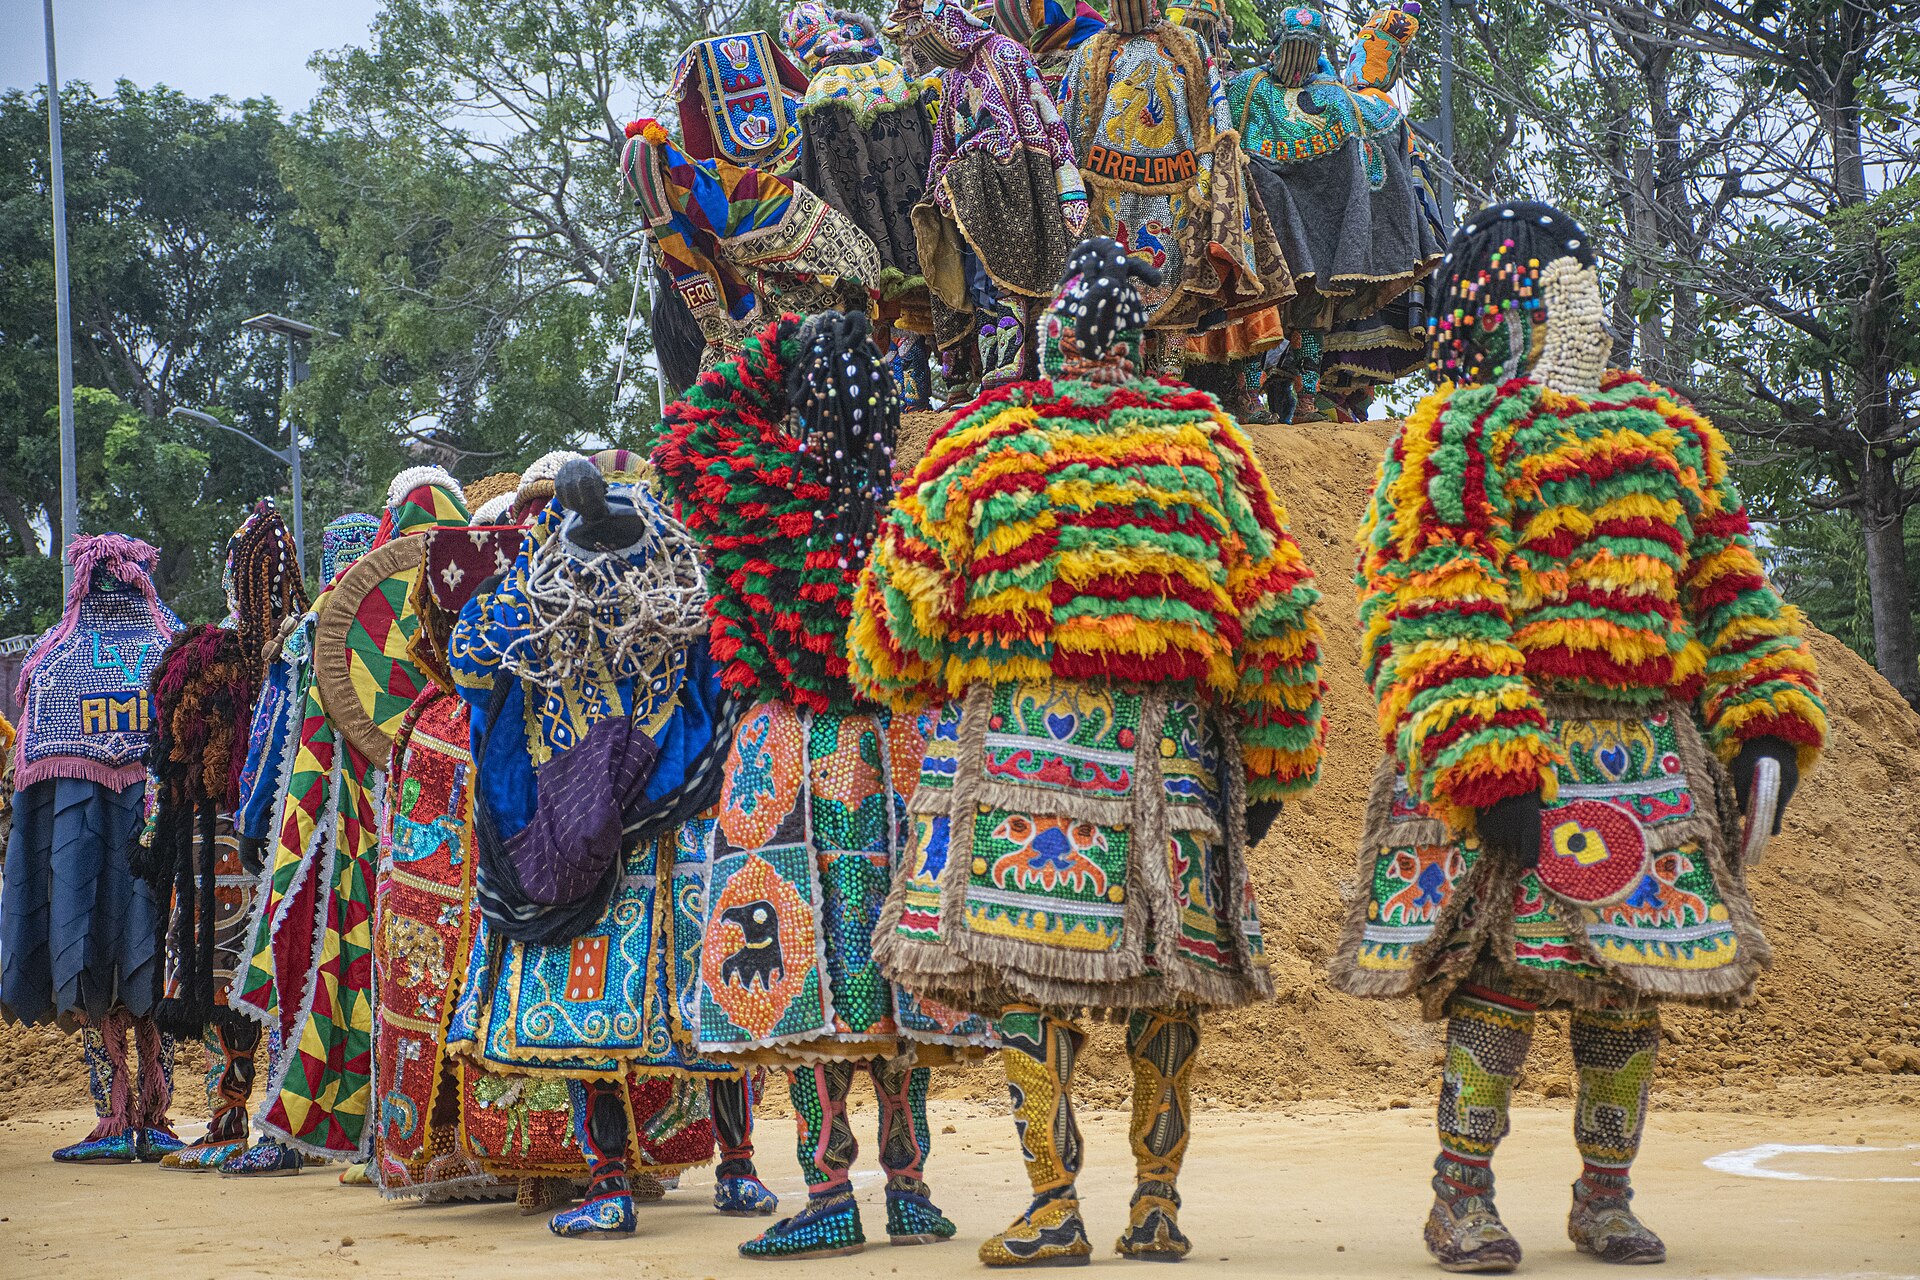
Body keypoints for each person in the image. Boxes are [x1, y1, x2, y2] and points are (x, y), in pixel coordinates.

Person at [1331, 202, 1827, 1272]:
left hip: (1648, 757)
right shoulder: (1459, 433)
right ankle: (1460, 1192)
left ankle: (1606, 1195)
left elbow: (1729, 587)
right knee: (1504, 974)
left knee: (1628, 987)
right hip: (1522, 739)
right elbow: (1434, 595)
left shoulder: (1672, 434)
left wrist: (1764, 728)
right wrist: (1488, 759)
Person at [851, 239, 1327, 1265]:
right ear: (1138, 341)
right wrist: (1278, 766)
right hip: (1173, 761)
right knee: (1164, 979)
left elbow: (897, 609)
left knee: (1030, 978)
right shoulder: (1206, 441)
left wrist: (926, 681)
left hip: (1022, 755)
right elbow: (1281, 611)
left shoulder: (987, 437)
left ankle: (1054, 1204)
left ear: (1050, 338)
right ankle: (1156, 1203)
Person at [655, 309, 996, 1259]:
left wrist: (795, 344)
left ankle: (828, 1188)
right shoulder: (909, 514)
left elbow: (689, 431)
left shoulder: (760, 498)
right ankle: (913, 1185)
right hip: (902, 752)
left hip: (793, 756)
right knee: (891, 968)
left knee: (809, 976)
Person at [444, 455, 744, 1238]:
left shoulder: (530, 601)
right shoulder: (686, 584)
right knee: (703, 1003)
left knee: (589, 1027)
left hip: (575, 843)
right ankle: (739, 1173)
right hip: (681, 830)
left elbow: (469, 670)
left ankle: (609, 1185)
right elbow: (728, 690)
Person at [228, 469, 471, 1165]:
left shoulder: (332, 619)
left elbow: (287, 736)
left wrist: (257, 819)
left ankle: (367, 1137)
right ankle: (466, 1141)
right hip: (464, 821)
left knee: (338, 955)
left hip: (355, 828)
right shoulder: (492, 593)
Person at [138, 502, 310, 1172]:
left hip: (219, 839)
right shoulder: (307, 647)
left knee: (222, 978)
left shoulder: (205, 659)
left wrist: (155, 839)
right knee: (276, 975)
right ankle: (276, 1117)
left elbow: (170, 758)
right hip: (289, 836)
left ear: (232, 579)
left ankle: (231, 1117)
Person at [2, 533, 184, 1163]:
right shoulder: (172, 652)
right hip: (155, 839)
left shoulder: (51, 664)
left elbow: (31, 805)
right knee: (151, 951)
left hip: (81, 851)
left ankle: (116, 1113)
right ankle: (150, 1115)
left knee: (84, 949)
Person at [218, 510, 378, 1177]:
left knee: (301, 971)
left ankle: (289, 1137)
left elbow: (275, 738)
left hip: (315, 836)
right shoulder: (410, 616)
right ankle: (380, 1132)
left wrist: (255, 824)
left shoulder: (309, 634)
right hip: (404, 834)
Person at [1220, 2, 1441, 421]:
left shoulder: (1336, 98)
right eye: (1293, 47)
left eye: (1309, 49)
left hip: (1320, 231)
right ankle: (1250, 398)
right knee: (1260, 312)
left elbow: (1374, 127)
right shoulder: (1247, 87)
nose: (1299, 59)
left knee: (1312, 318)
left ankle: (1307, 400)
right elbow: (1224, 139)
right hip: (1267, 225)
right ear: (1278, 46)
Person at [1057, 0, 1291, 353]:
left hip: (1177, 191)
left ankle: (1172, 385)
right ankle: (1127, 386)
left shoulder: (1187, 44)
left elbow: (1213, 119)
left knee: (1176, 292)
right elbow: (1068, 125)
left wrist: (1207, 180)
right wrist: (1074, 190)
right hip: (1107, 192)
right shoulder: (1090, 51)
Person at [887, 0, 1088, 388]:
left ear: (951, 27)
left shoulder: (1006, 52)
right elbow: (943, 142)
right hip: (966, 194)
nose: (928, 51)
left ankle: (1014, 363)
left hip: (1015, 185)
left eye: (930, 38)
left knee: (1008, 275)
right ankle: (993, 364)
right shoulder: (951, 77)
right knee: (978, 279)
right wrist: (938, 188)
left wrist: (1060, 175)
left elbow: (1043, 117)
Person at [779, 3, 941, 408]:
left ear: (803, 51)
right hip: (921, 217)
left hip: (869, 227)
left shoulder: (821, 90)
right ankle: (935, 389)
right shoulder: (893, 71)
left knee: (883, 312)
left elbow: (826, 177)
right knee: (923, 305)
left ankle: (908, 405)